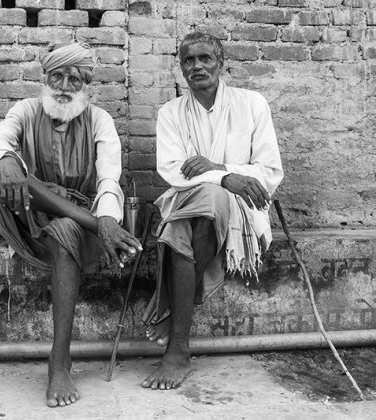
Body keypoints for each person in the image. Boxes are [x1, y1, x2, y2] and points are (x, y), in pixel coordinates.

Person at [0, 42, 143, 408]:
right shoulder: (25, 110)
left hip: (80, 220)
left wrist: (105, 217)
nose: (64, 84)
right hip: (29, 212)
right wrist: (5, 159)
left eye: (74, 77)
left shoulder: (100, 120)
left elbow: (109, 181)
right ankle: (93, 225)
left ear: (86, 84)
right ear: (46, 79)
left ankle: (59, 360)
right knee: (19, 173)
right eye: (57, 76)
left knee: (66, 229)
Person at [141, 32, 284, 390]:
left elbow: (269, 171)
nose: (197, 66)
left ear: (222, 63)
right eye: (188, 61)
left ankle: (176, 340)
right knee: (201, 206)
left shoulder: (252, 104)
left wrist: (216, 172)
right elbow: (171, 170)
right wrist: (224, 176)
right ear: (181, 68)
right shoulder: (170, 113)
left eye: (205, 58)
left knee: (203, 209)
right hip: (187, 200)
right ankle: (178, 342)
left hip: (242, 203)